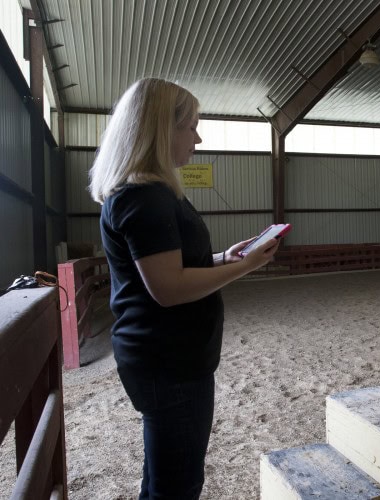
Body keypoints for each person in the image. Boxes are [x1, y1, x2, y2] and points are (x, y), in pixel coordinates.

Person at [89, 78, 280, 499]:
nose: (198, 136)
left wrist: (222, 259)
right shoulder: (144, 197)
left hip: (165, 357)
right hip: (169, 362)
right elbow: (169, 288)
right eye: (191, 125)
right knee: (179, 485)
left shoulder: (148, 192)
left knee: (162, 478)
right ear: (161, 129)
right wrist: (243, 269)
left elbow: (164, 269)